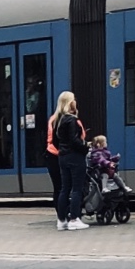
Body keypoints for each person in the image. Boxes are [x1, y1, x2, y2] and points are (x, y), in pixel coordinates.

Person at [53, 96, 89, 231]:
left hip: (63, 156)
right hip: (75, 157)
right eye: (73, 99)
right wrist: (85, 147)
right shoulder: (72, 120)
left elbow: (56, 141)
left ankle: (61, 220)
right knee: (77, 189)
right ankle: (74, 219)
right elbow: (74, 140)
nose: (75, 101)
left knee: (65, 188)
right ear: (69, 103)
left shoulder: (58, 120)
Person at [45, 92, 73, 225]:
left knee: (59, 187)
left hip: (53, 155)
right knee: (62, 187)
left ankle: (62, 215)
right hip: (57, 156)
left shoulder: (53, 119)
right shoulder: (63, 120)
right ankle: (63, 215)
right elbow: (58, 141)